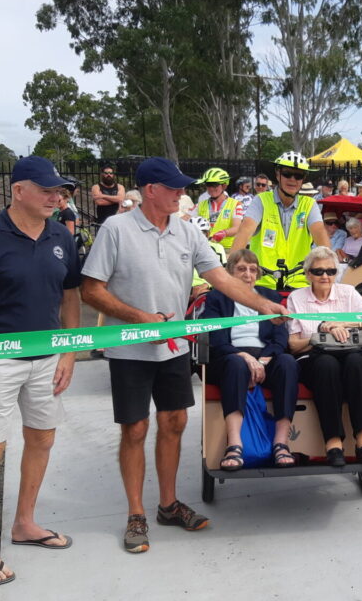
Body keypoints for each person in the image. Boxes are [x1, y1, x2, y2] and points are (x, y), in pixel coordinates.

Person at [81, 157, 285, 553]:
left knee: (173, 422)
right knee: (135, 429)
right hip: (129, 350)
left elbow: (222, 279)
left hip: (174, 347)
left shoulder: (188, 231)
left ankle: (168, 505)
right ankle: (136, 514)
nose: (182, 194)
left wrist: (263, 306)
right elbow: (91, 289)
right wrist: (141, 319)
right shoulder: (116, 229)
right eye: (174, 188)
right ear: (150, 190)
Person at [0, 156, 82, 587]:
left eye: (58, 191)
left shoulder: (62, 234)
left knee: (42, 438)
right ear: (18, 191)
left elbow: (71, 298)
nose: (55, 197)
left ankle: (25, 523)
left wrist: (68, 353)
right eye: (46, 190)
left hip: (47, 359)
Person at [204, 250, 298, 470]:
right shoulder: (216, 297)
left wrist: (264, 360)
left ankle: (281, 442)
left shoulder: (269, 296)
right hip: (231, 355)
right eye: (241, 269)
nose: (248, 274)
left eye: (253, 269)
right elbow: (215, 337)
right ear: (229, 272)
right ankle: (235, 444)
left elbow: (280, 337)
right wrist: (245, 357)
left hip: (265, 355)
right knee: (236, 365)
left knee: (287, 363)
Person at [288, 247, 362, 466]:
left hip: (350, 353)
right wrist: (321, 334)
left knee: (357, 362)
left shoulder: (347, 292)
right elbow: (293, 344)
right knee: (327, 365)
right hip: (313, 358)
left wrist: (344, 323)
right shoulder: (296, 297)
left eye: (331, 271)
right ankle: (333, 442)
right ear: (308, 273)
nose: (325, 276)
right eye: (318, 271)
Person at [230, 152, 329, 290]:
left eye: (298, 175)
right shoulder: (261, 201)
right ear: (278, 175)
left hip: (299, 283)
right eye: (287, 174)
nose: (292, 180)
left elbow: (319, 232)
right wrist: (230, 271)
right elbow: (244, 232)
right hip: (262, 283)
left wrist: (329, 265)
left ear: (303, 179)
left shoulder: (309, 204)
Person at [196, 167, 244, 250]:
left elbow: (237, 228)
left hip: (226, 249)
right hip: (205, 248)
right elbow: (185, 219)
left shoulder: (236, 204)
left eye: (214, 185)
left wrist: (223, 233)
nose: (211, 188)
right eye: (208, 185)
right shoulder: (200, 205)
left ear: (224, 186)